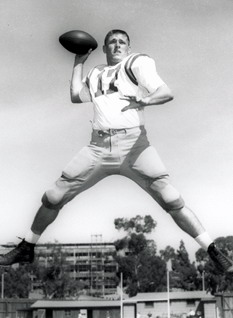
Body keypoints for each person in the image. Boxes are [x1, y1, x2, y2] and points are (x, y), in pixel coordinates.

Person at [0, 29, 232, 273]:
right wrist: (78, 62)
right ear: (104, 48)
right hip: (98, 146)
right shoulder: (97, 72)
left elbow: (166, 92)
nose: (117, 45)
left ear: (129, 48)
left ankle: (213, 251)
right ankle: (27, 247)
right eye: (112, 42)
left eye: (122, 42)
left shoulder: (137, 62)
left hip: (134, 145)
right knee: (53, 197)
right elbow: (76, 96)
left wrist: (146, 101)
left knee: (171, 199)